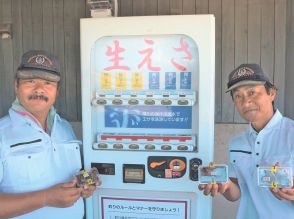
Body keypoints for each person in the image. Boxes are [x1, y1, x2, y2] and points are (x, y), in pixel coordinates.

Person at [0, 50, 100, 219]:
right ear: (16, 86)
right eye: (30, 81)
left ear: (57, 90)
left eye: (48, 83)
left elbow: (67, 173)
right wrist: (45, 198)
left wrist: (84, 185)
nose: (39, 89)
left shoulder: (65, 127)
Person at [198, 64, 294, 219]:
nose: (246, 102)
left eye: (252, 92)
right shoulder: (237, 143)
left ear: (272, 93)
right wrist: (225, 185)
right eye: (238, 96)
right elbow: (236, 193)